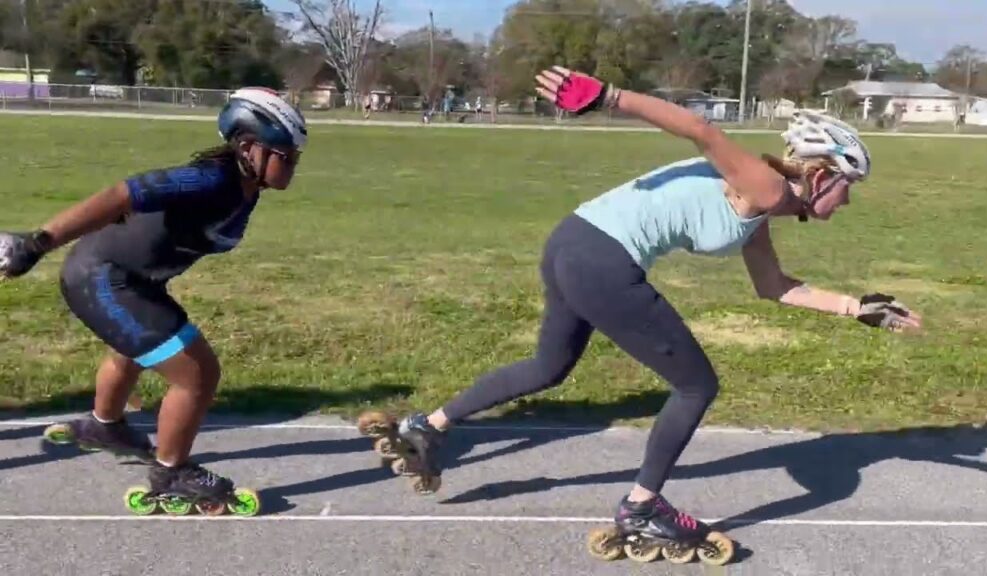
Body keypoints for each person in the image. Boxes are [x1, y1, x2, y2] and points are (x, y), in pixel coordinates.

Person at [361, 66, 921, 554]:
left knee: (548, 367)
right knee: (696, 387)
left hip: (572, 240)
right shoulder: (769, 187)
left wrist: (857, 307)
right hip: (602, 259)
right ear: (822, 174)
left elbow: (774, 287)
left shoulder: (763, 205)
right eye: (849, 185)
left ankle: (426, 428)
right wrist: (610, 97)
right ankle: (642, 508)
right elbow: (701, 129)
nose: (848, 200)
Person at [0, 87, 306, 512]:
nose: (292, 165)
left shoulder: (244, 188)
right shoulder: (210, 179)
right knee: (196, 373)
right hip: (103, 278)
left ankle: (105, 426)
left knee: (138, 348)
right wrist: (38, 242)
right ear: (249, 146)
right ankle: (172, 472)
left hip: (131, 279)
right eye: (285, 155)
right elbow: (120, 195)